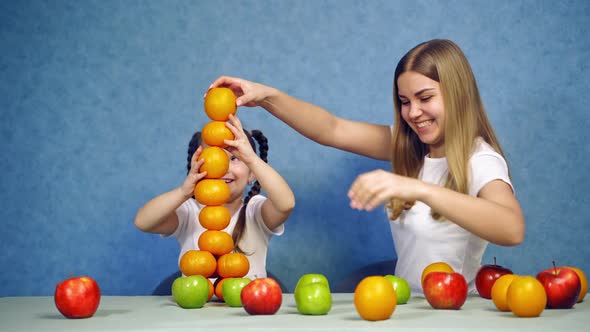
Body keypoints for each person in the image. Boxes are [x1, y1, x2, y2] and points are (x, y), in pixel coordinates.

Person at [207, 39, 525, 293]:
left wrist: (417, 188)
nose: (413, 112)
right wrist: (266, 96)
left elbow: (511, 228)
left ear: (458, 96)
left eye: (425, 98)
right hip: (406, 311)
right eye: (404, 101)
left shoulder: (479, 159)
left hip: (456, 317)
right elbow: (331, 129)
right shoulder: (410, 147)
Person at [134, 114, 295, 280]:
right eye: (213, 159)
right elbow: (143, 221)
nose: (223, 168)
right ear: (196, 168)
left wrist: (252, 159)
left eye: (234, 158)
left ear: (252, 174)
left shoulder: (255, 212)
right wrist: (183, 192)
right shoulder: (189, 212)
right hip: (197, 303)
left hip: (246, 304)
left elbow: (286, 204)